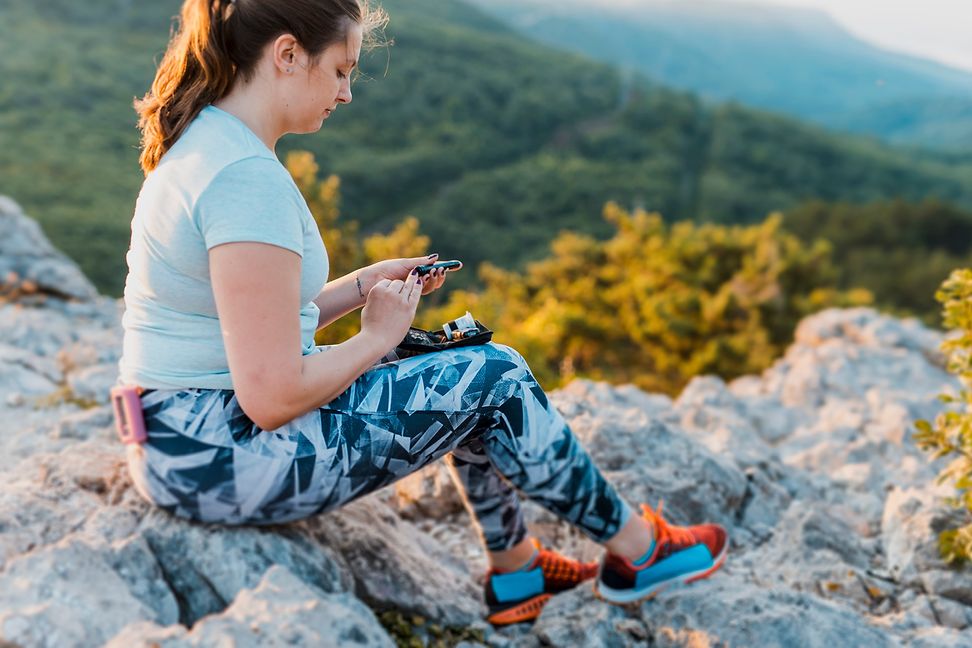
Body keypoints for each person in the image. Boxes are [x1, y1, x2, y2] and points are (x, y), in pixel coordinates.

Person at [118, 0, 728, 626]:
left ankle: (517, 569)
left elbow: (251, 320)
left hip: (183, 440)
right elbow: (271, 395)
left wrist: (362, 288)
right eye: (340, 70)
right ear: (287, 55)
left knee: (461, 369)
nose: (347, 93)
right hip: (217, 453)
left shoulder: (209, 144)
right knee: (495, 377)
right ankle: (640, 553)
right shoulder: (244, 178)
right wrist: (376, 340)